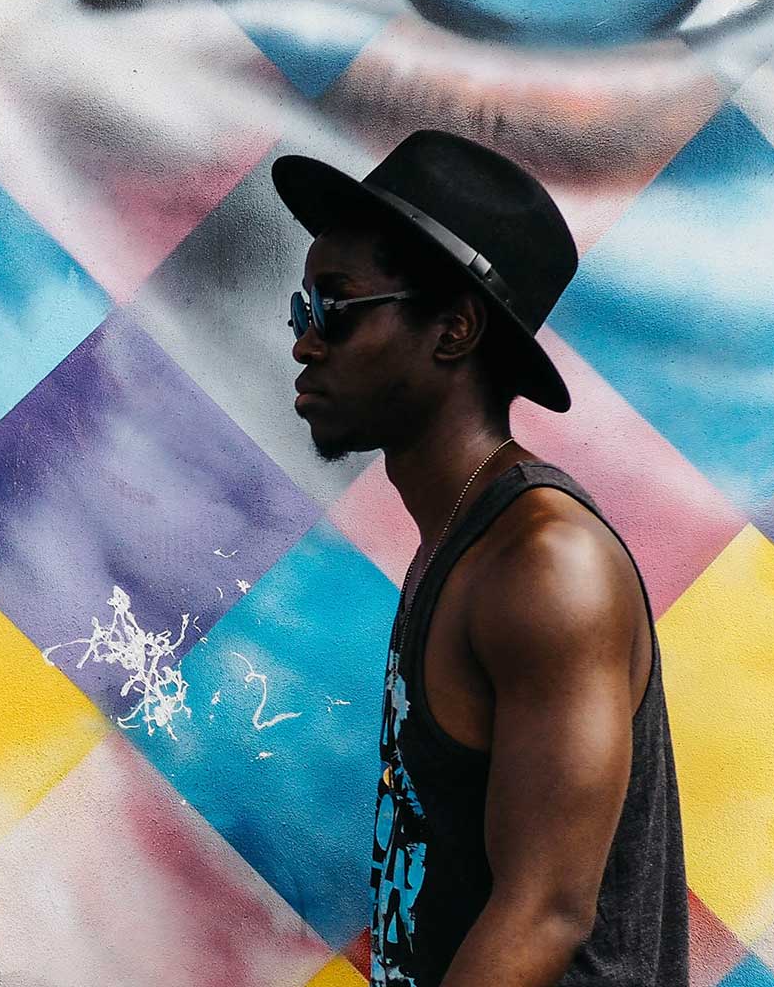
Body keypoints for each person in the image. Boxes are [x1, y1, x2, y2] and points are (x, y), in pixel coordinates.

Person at [272, 129, 688, 987]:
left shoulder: (545, 565)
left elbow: (545, 912)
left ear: (454, 329)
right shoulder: (463, 540)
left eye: (335, 308)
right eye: (299, 309)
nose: (305, 343)